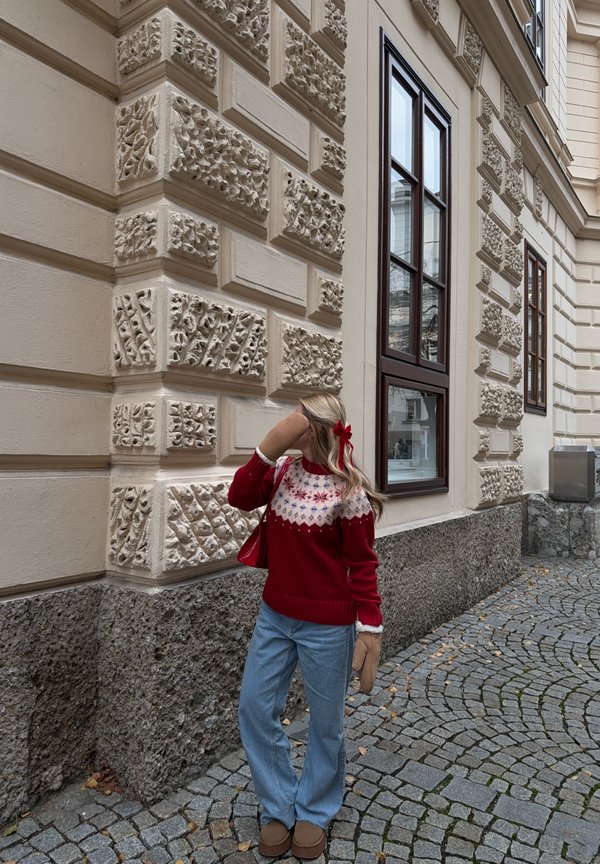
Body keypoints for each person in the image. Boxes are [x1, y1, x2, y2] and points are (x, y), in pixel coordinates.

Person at [228, 393, 385, 860]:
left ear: (313, 430)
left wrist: (369, 628)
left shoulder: (348, 490)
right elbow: (239, 497)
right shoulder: (280, 474)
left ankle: (314, 810)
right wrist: (266, 449)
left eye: (298, 420)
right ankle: (279, 807)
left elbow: (362, 564)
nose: (290, 425)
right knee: (255, 708)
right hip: (275, 617)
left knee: (326, 724)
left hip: (327, 626)